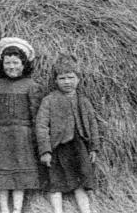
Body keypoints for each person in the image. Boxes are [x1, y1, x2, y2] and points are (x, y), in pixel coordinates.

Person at [36, 54, 99, 213]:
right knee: (55, 180)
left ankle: (86, 210)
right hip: (58, 146)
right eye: (62, 78)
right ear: (56, 80)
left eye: (71, 77)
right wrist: (45, 150)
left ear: (78, 79)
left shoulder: (83, 100)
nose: (67, 82)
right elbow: (41, 126)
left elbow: (92, 124)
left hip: (78, 147)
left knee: (82, 180)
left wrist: (93, 147)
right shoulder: (49, 100)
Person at [0, 37, 43, 213]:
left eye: (16, 62)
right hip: (0, 136)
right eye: (7, 63)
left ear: (24, 64)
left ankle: (17, 209)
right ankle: (4, 209)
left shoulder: (31, 86)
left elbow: (36, 114)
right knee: (2, 172)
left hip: (23, 136)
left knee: (20, 173)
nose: (12, 67)